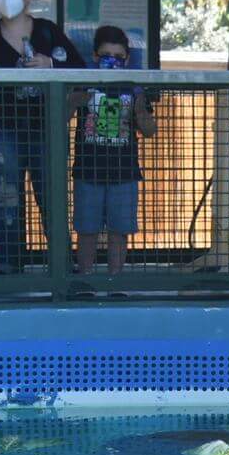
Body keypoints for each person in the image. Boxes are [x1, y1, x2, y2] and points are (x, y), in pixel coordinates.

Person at [0, 0, 85, 273]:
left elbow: (79, 66)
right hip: (2, 130)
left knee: (52, 196)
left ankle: (61, 269)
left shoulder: (47, 31)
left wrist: (50, 63)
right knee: (7, 197)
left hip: (46, 129)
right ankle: (9, 270)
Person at [75, 25, 156, 284]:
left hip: (124, 171)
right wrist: (79, 95)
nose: (112, 61)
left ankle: (115, 282)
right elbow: (62, 114)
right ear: (95, 57)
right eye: (106, 55)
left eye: (118, 57)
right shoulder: (83, 81)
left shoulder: (133, 86)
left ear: (127, 59)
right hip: (88, 169)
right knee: (87, 229)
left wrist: (139, 105)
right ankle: (85, 279)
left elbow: (150, 130)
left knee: (119, 230)